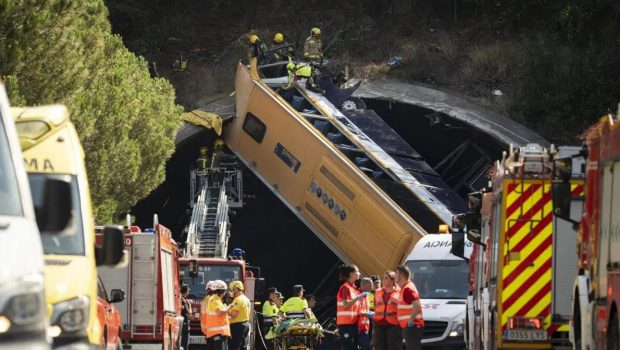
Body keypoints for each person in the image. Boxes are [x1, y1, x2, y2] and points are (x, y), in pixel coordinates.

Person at [336, 264, 365, 350]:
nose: (359, 273)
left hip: (352, 324)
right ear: (351, 274)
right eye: (357, 271)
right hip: (346, 325)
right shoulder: (346, 288)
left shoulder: (353, 289)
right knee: (348, 347)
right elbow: (345, 305)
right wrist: (358, 298)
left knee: (352, 347)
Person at [396, 266, 424, 350]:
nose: (395, 276)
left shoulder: (407, 289)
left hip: (412, 326)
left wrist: (410, 320)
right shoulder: (405, 287)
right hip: (410, 326)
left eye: (396, 274)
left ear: (400, 275)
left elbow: (416, 304)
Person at [373, 271, 402, 350]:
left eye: (386, 278)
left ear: (393, 281)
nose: (383, 280)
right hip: (379, 324)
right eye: (383, 278)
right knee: (379, 347)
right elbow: (375, 306)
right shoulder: (377, 292)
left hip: (393, 325)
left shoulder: (400, 293)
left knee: (394, 347)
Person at [205, 280, 232, 350]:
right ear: (220, 291)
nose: (225, 293)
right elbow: (220, 312)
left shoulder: (215, 299)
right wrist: (229, 307)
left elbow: (218, 315)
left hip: (216, 333)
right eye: (224, 291)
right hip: (218, 333)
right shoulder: (216, 300)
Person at [228, 280, 251, 350]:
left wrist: (226, 309)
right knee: (243, 347)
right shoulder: (246, 299)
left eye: (232, 290)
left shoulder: (238, 300)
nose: (230, 292)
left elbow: (234, 314)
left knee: (235, 347)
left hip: (237, 327)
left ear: (236, 289)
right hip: (245, 325)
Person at [357, 278, 373, 350]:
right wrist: (370, 314)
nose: (371, 287)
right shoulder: (357, 295)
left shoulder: (366, 297)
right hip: (357, 329)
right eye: (370, 285)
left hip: (364, 329)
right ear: (363, 285)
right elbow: (358, 311)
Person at [180, 285, 192, 350]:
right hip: (185, 325)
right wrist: (189, 305)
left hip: (181, 325)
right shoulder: (184, 301)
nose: (188, 293)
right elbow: (188, 315)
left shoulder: (180, 299)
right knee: (185, 345)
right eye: (188, 291)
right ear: (185, 292)